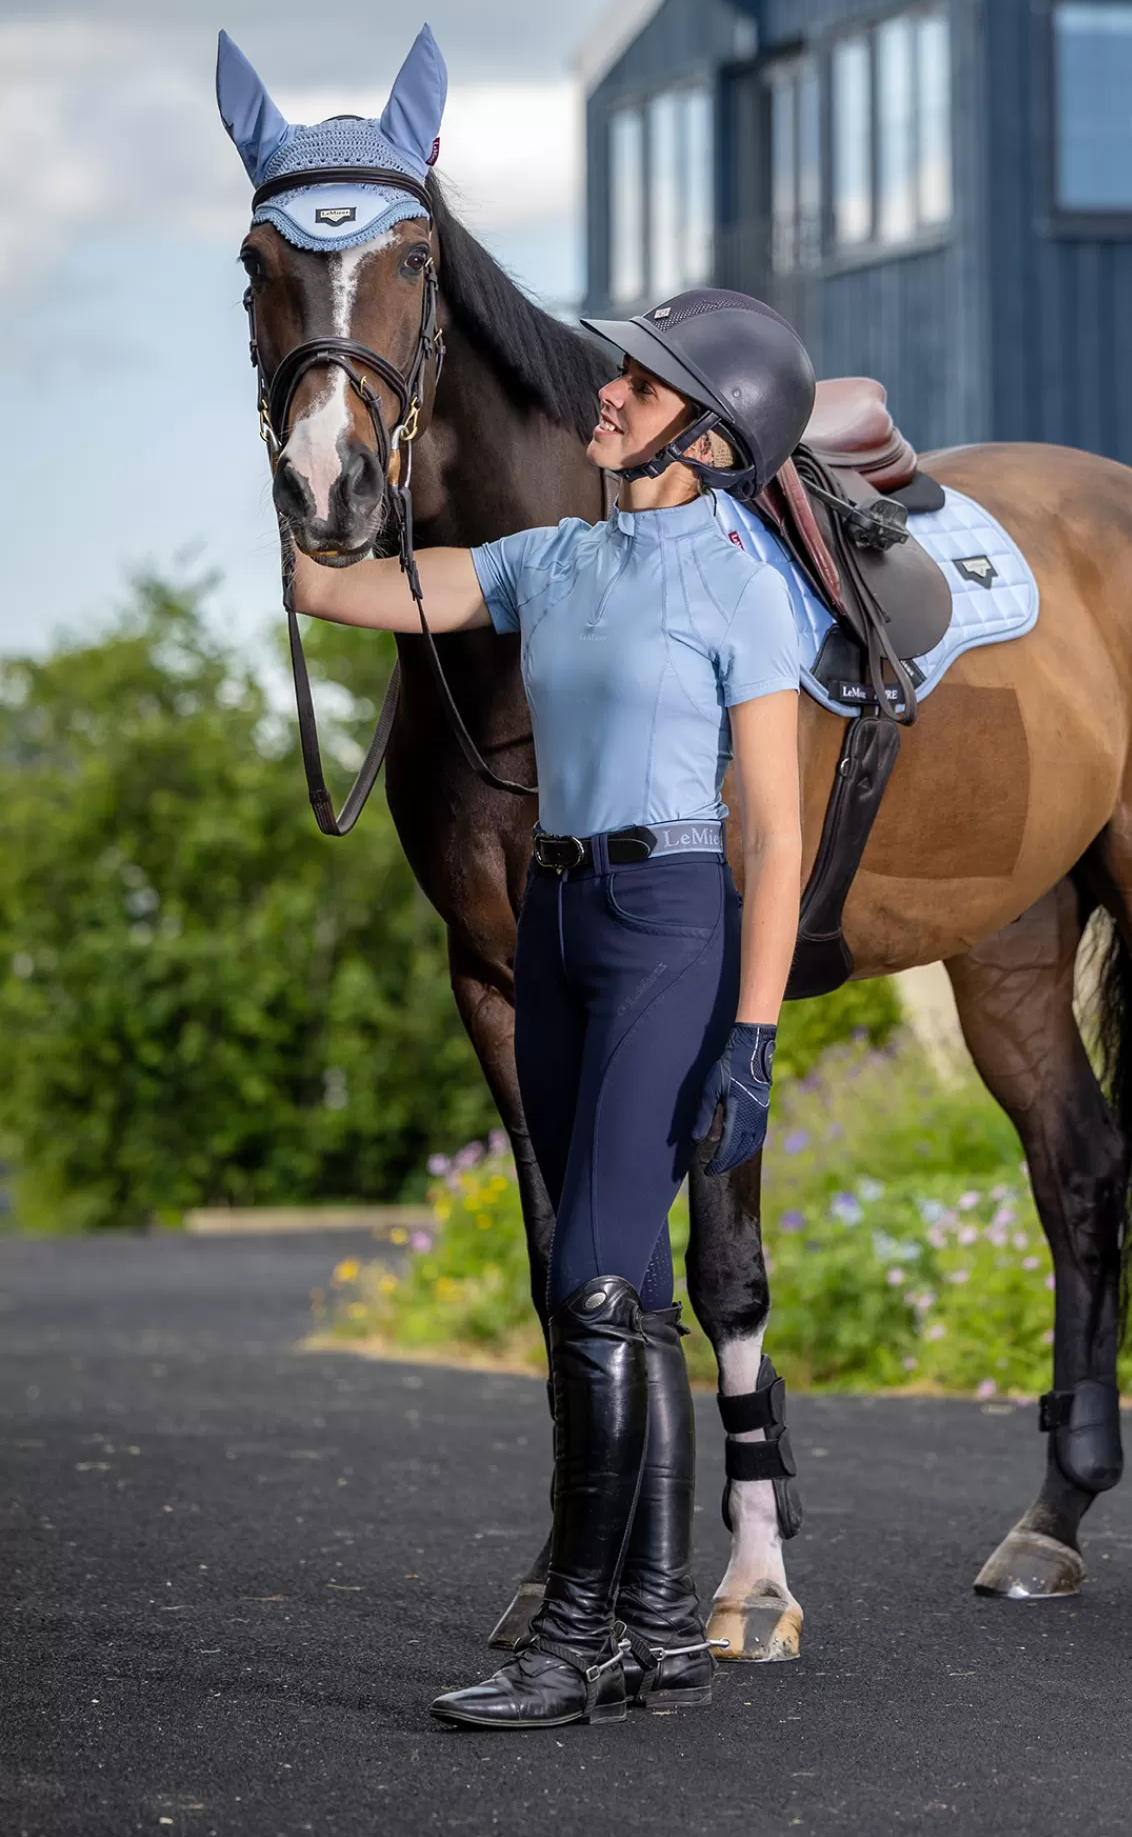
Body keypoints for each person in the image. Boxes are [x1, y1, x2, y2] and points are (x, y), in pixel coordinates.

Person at [290, 285, 815, 1729]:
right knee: (626, 1289)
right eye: (616, 382)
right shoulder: (550, 559)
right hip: (562, 918)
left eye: (639, 393)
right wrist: (321, 450)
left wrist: (753, 1037)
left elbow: (776, 838)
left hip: (668, 921)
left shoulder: (746, 587)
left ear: (708, 439)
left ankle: (577, 1637)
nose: (606, 399)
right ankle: (656, 1626)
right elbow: (334, 591)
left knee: (586, 1277)